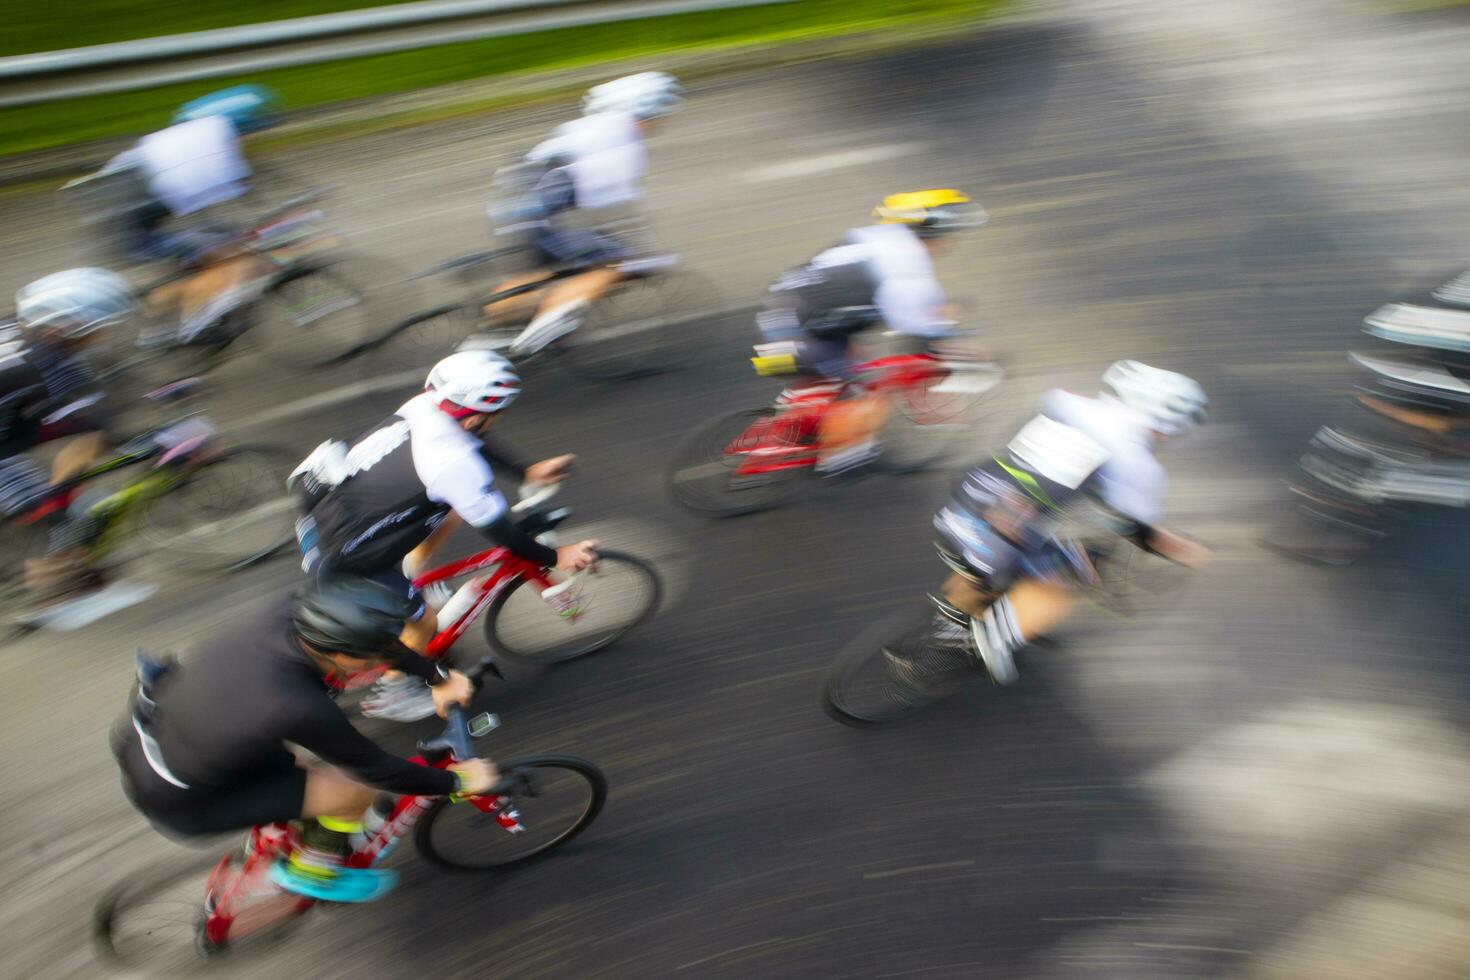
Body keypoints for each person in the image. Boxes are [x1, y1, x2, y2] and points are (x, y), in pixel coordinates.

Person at [112, 575, 497, 902]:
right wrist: (460, 780)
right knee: (354, 791)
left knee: (303, 768)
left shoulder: (296, 613)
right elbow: (381, 771)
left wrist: (437, 678)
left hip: (156, 738)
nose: (380, 665)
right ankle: (312, 870)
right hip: (182, 800)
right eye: (371, 661)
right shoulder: (295, 704)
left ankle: (290, 823)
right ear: (341, 656)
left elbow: (376, 642)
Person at [291, 349, 595, 720]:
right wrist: (556, 556)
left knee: (446, 508)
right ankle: (396, 690)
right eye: (499, 411)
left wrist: (527, 471)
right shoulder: (450, 463)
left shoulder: (427, 406)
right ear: (477, 414)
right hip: (345, 561)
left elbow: (474, 438)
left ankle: (414, 573)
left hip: (323, 519)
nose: (500, 417)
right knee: (425, 622)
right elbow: (502, 533)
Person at [931, 360, 1211, 684]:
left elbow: (1044, 478)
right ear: (1168, 423)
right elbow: (1140, 530)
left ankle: (950, 623)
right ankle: (991, 640)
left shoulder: (1064, 402)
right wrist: (1185, 551)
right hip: (996, 540)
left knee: (1002, 549)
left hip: (963, 503)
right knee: (1072, 576)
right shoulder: (1138, 464)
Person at [755, 189, 988, 474]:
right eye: (949, 234)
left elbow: (911, 304)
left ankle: (805, 415)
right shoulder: (906, 269)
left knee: (856, 360)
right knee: (867, 389)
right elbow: (918, 327)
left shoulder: (876, 239)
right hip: (801, 332)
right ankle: (841, 461)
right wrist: (954, 343)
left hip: (786, 312)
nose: (950, 241)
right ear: (932, 232)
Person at [484, 71, 683, 355]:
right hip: (535, 213)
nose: (663, 121)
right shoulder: (622, 142)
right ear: (647, 109)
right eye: (662, 113)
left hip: (512, 205)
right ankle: (532, 340)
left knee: (540, 269)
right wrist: (649, 254)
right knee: (613, 264)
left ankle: (486, 335)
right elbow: (617, 212)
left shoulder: (586, 127)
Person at [1, 269, 134, 610]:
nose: (102, 335)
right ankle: (52, 587)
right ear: (67, 327)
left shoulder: (22, 331)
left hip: (10, 423)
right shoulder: (39, 366)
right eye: (96, 328)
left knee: (84, 443)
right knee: (50, 514)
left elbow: (85, 395)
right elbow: (91, 413)